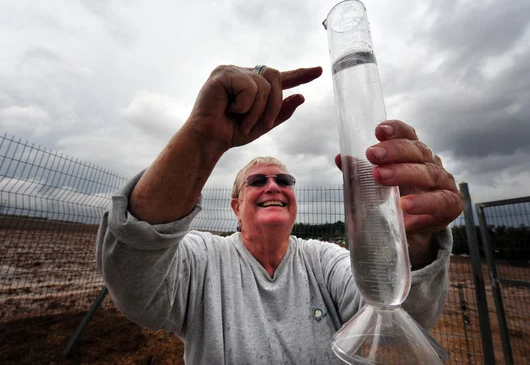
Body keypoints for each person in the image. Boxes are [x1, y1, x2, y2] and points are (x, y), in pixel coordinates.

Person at [96, 64, 464, 364]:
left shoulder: (324, 262)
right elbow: (135, 283)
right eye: (257, 181)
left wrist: (412, 242)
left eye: (284, 180)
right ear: (235, 207)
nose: (274, 186)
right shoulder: (204, 260)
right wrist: (201, 139)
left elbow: (400, 318)